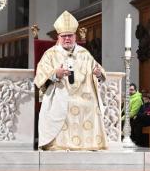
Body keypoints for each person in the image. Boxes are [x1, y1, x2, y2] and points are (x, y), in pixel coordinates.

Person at [33, 11, 107, 151]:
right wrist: (55, 74)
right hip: (61, 94)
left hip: (83, 94)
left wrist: (98, 73)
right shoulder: (50, 54)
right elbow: (40, 76)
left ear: (75, 36)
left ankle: (88, 144)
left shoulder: (84, 53)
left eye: (70, 35)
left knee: (91, 104)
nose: (67, 38)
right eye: (64, 36)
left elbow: (99, 71)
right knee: (62, 105)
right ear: (58, 37)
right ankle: (59, 144)